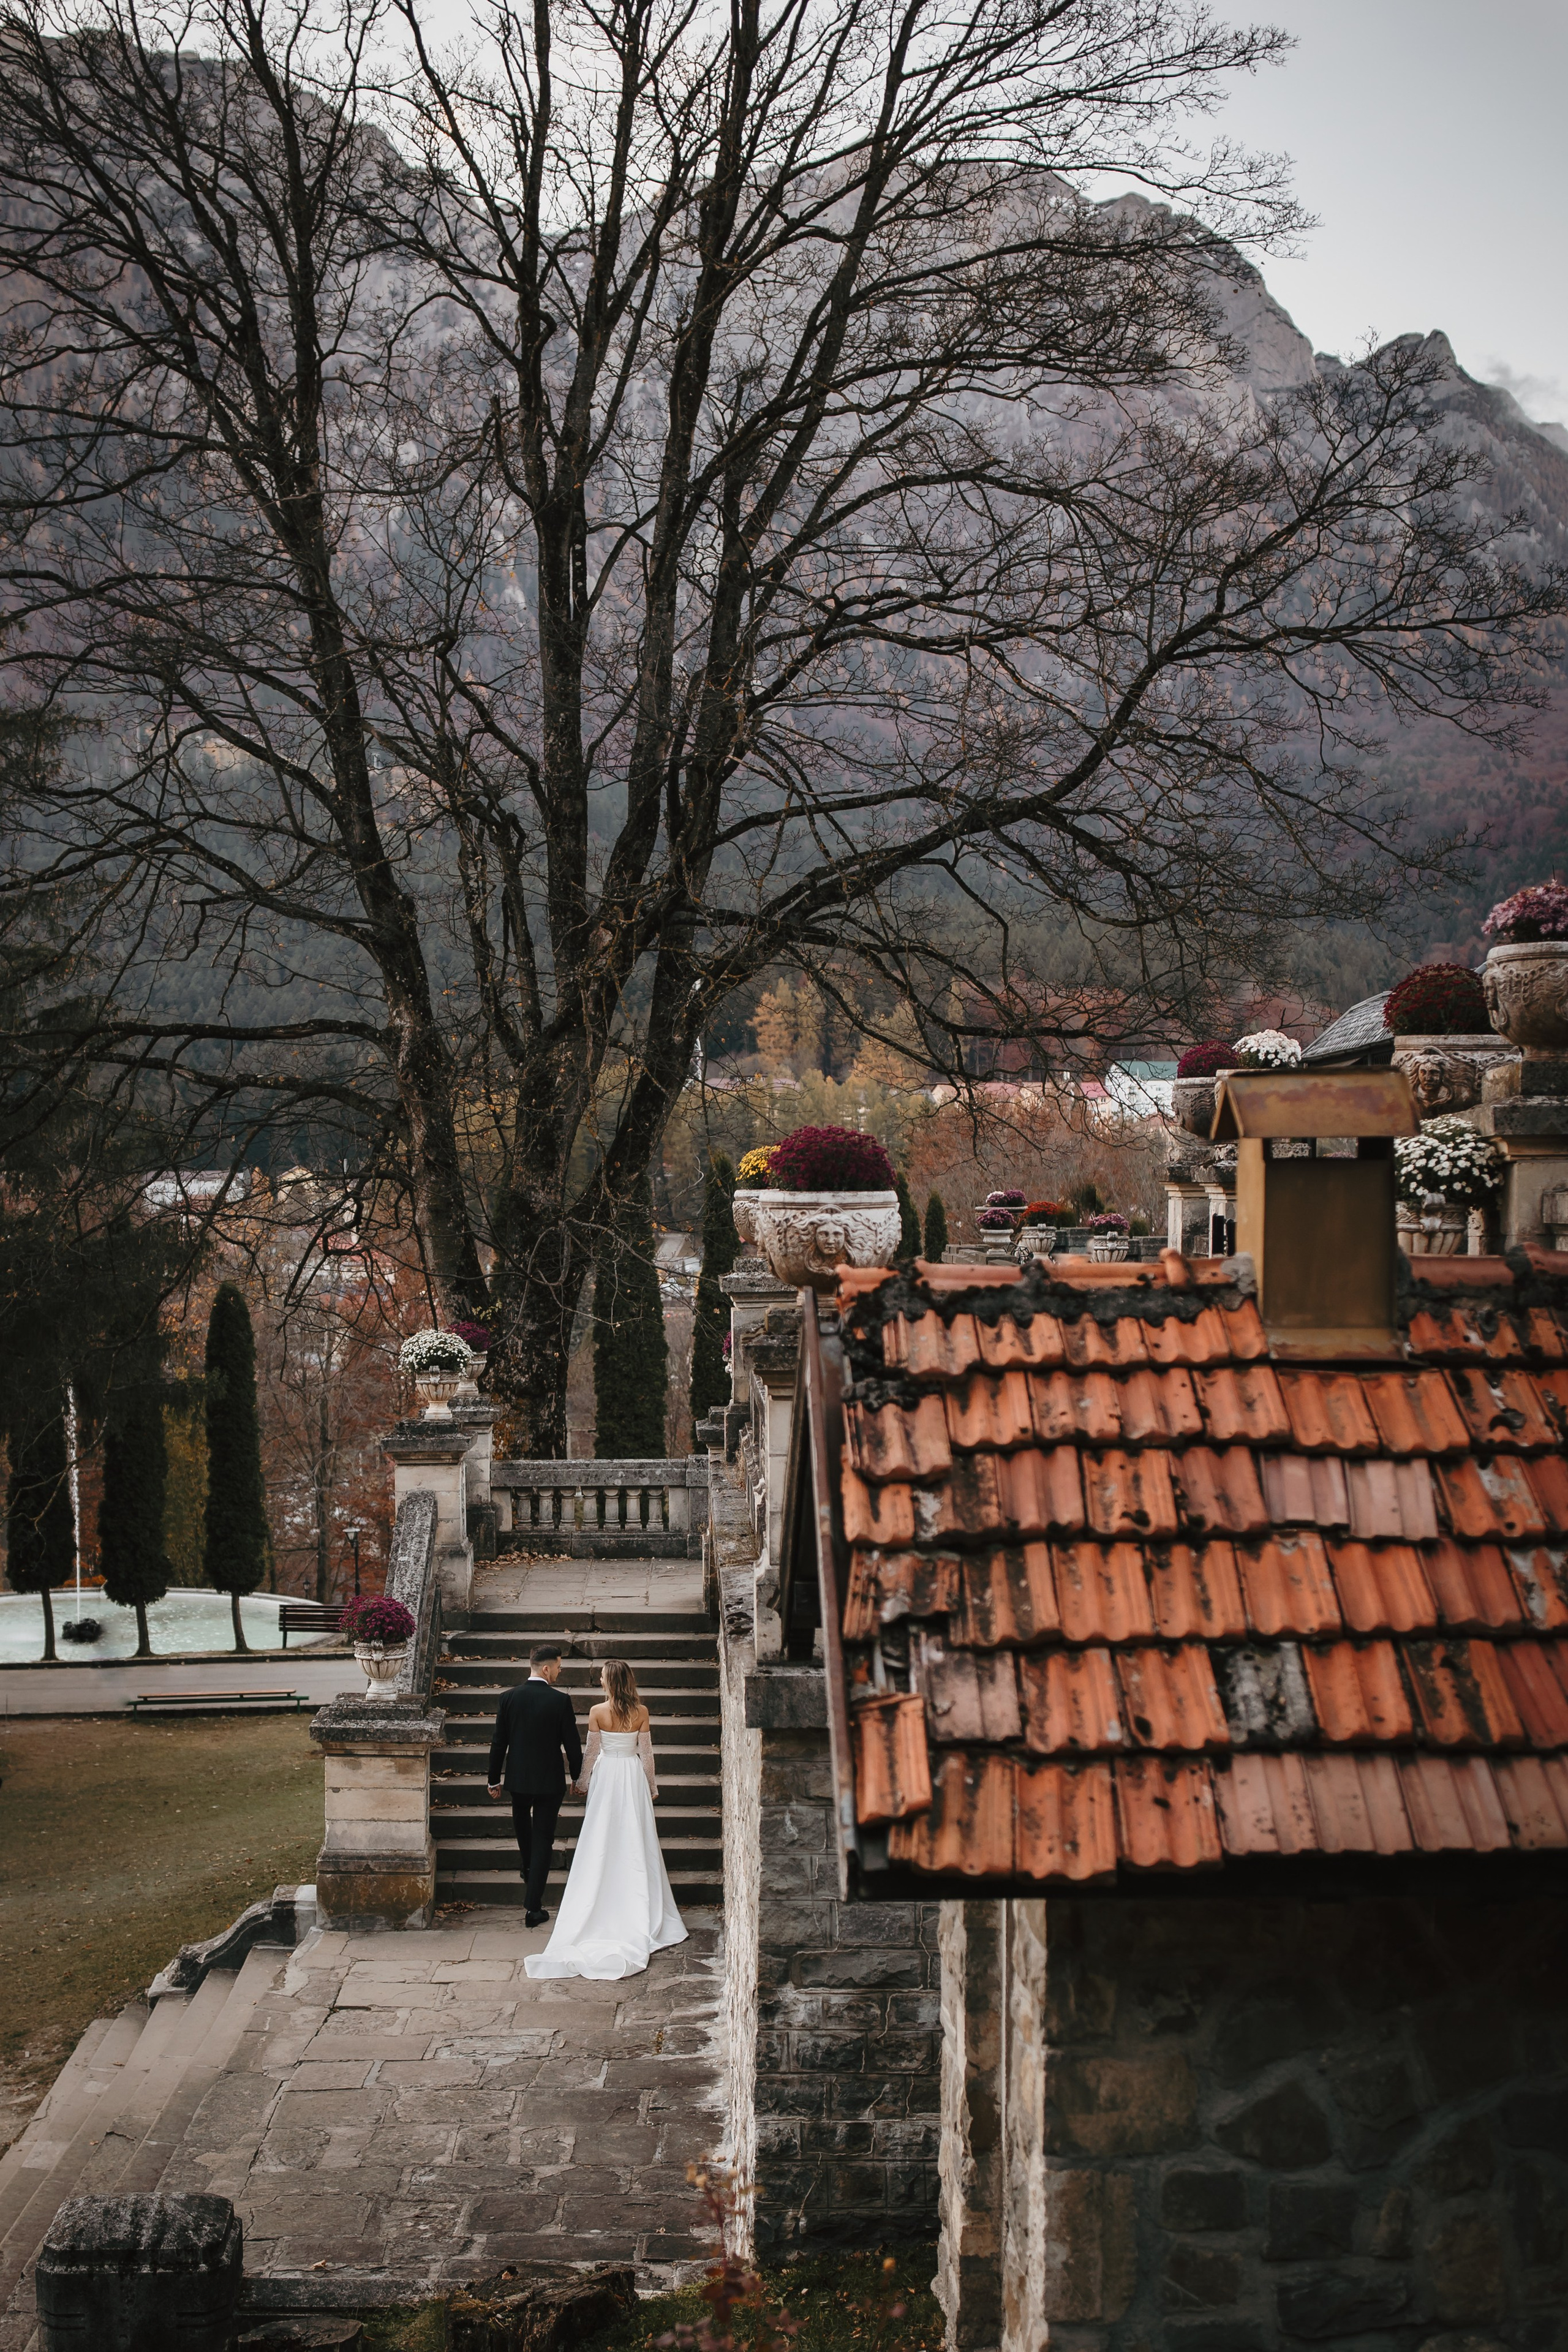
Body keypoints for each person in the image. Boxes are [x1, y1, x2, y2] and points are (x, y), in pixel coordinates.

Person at [524, 1658, 687, 1981]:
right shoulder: (641, 1712)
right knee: (635, 1833)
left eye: (601, 1677)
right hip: (631, 1774)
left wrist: (581, 1783)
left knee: (602, 1832)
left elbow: (591, 1752)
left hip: (608, 1774)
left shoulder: (598, 1711)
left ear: (609, 1683)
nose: (599, 1680)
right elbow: (648, 1754)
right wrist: (652, 1786)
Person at [486, 1642, 582, 1926]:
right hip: (550, 1782)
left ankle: (529, 1870)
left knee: (523, 1830)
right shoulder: (560, 1701)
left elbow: (498, 1743)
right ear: (545, 1668)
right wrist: (577, 1777)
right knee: (543, 1838)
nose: (560, 1672)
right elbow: (572, 1744)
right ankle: (534, 1906)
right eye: (558, 1667)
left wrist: (494, 1778)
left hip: (518, 1780)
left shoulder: (508, 1698)